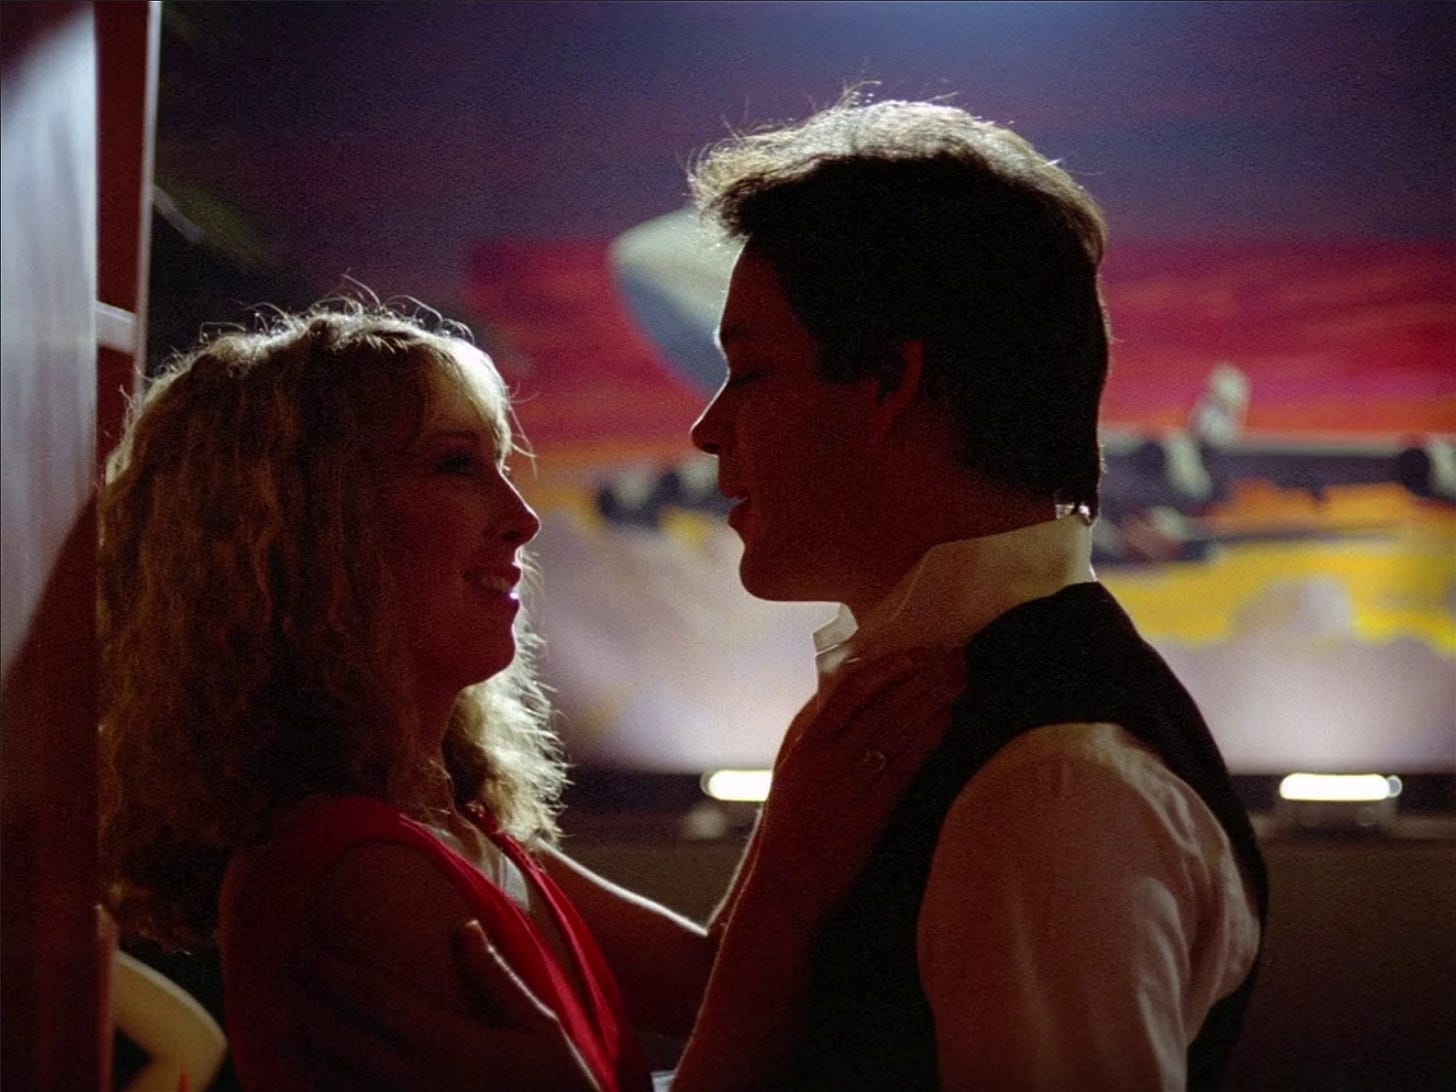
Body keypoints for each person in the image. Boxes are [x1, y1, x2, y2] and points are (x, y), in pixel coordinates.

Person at [295, 95, 1269, 1090]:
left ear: (887, 385)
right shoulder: (937, 714)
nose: (706, 427)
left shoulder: (1047, 790)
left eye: (751, 371)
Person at [98, 302, 659, 1091]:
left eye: (500, 464)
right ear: (316, 528)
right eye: (456, 465)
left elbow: (730, 980)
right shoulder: (358, 868)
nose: (523, 518)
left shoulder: (451, 829)